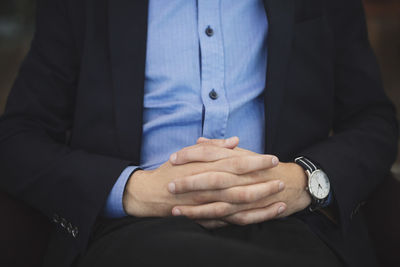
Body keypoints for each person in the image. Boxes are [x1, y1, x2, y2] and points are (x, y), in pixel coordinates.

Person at [0, 0, 398, 266]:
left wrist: (305, 181)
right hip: (132, 234)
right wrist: (131, 191)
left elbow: (374, 121)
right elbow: (19, 138)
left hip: (291, 225)